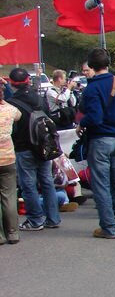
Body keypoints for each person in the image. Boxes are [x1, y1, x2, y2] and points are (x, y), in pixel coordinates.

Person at [77, 49, 115, 238]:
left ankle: (108, 228)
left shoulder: (92, 88)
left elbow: (92, 116)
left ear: (91, 66)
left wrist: (81, 124)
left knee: (101, 184)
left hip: (100, 139)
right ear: (108, 64)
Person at [7, 68, 62, 232]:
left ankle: (35, 219)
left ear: (11, 83)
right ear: (28, 82)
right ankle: (53, 218)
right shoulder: (38, 98)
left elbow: (13, 128)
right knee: (46, 181)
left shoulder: (11, 103)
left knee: (28, 185)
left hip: (23, 146)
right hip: (43, 145)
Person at [0, 86, 21, 244]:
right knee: (9, 196)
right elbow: (19, 116)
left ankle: (0, 235)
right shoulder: (10, 110)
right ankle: (13, 232)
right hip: (8, 158)